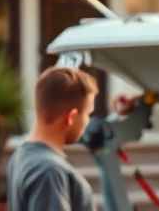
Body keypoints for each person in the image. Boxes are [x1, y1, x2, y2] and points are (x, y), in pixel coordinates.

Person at [7, 67, 98, 210]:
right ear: (71, 117)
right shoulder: (49, 171)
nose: (88, 121)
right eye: (87, 114)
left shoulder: (20, 155)